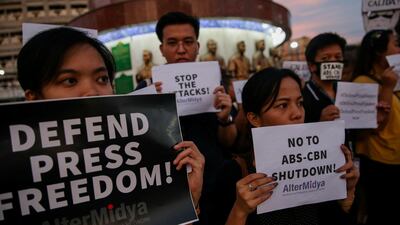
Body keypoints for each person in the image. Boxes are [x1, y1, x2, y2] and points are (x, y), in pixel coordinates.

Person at [16, 27, 205, 221]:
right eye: (70, 81)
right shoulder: (17, 181)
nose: (92, 92)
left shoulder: (140, 159)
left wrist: (186, 200)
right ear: (34, 98)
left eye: (102, 79)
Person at [210, 67, 358, 225]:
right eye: (282, 105)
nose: (297, 113)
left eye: (300, 103)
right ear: (254, 118)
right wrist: (239, 211)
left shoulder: (320, 164)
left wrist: (346, 195)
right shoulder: (233, 174)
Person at [135, 11, 237, 224]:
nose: (181, 49)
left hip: (217, 183)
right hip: (171, 190)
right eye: (172, 43)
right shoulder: (146, 90)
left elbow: (230, 142)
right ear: (162, 49)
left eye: (188, 42)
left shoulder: (215, 86)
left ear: (197, 46)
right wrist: (151, 105)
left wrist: (225, 118)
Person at [352, 29, 400, 225]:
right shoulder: (362, 83)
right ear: (381, 53)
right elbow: (376, 127)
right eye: (395, 44)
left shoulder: (392, 81)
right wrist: (387, 88)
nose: (399, 48)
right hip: (380, 163)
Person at [302, 32, 346, 123]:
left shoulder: (348, 92)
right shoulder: (302, 97)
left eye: (338, 57)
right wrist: (321, 122)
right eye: (325, 58)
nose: (334, 61)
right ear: (312, 66)